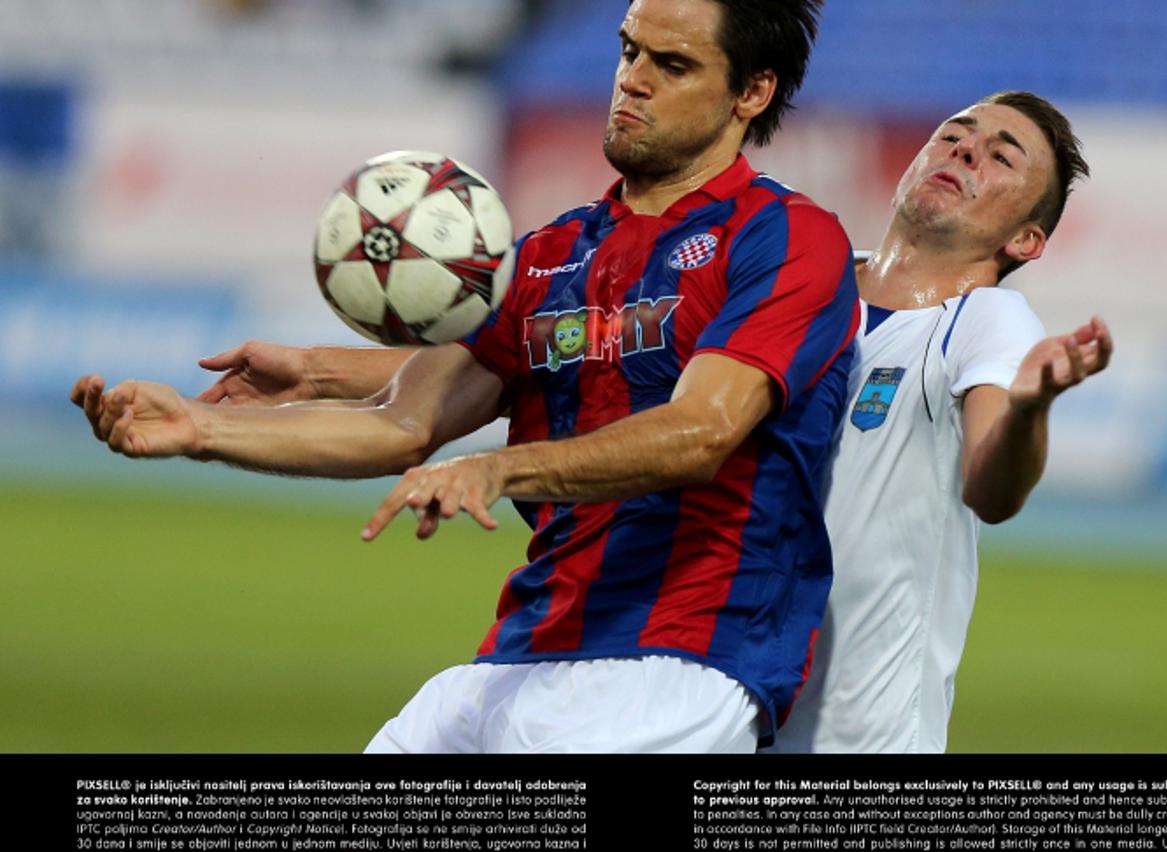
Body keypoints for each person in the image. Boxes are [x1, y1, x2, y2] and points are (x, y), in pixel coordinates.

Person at [71, 0, 859, 754]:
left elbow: (701, 432)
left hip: (679, 664)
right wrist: (203, 429)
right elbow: (401, 422)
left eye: (674, 64)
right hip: (519, 654)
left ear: (751, 92)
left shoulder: (785, 237)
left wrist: (496, 467)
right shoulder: (547, 255)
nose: (634, 79)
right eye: (629, 51)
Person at [770, 91, 1111, 752]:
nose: (966, 151)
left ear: (1025, 240)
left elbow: (991, 490)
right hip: (729, 706)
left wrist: (1028, 410)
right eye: (954, 134)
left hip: (858, 737)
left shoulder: (986, 319)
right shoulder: (803, 284)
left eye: (1002, 157)